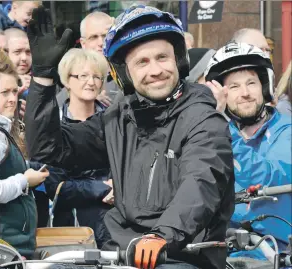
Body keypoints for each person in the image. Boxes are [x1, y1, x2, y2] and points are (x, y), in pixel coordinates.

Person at [25, 5, 234, 269]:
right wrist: (43, 80)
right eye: (142, 62)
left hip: (181, 254)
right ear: (124, 74)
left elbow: (201, 181)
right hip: (121, 253)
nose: (156, 70)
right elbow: (47, 148)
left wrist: (162, 235)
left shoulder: (203, 118)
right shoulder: (119, 118)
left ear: (179, 61)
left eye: (162, 57)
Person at [204, 42, 292, 260]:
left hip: (275, 253)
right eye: (234, 87)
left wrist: (223, 132)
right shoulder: (210, 133)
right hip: (223, 249)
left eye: (251, 83)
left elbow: (271, 178)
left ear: (264, 86)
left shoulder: (286, 131)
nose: (244, 93)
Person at [42, 48, 112, 247]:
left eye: (97, 76)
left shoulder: (115, 120)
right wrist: (102, 188)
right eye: (83, 75)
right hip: (72, 229)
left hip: (115, 222)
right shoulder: (53, 125)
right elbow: (55, 187)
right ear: (66, 80)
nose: (91, 82)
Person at [0, 49, 49, 257]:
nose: (13, 98)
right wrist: (25, 180)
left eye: (14, 91)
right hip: (5, 248)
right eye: (5, 92)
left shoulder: (3, 128)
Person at [56, 11, 118, 108]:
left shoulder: (128, 73)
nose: (101, 42)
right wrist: (84, 100)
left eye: (106, 36)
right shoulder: (74, 79)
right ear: (83, 44)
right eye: (94, 37)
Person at [4, 28, 32, 98]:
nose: (24, 58)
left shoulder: (40, 81)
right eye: (17, 52)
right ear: (4, 53)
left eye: (28, 52)